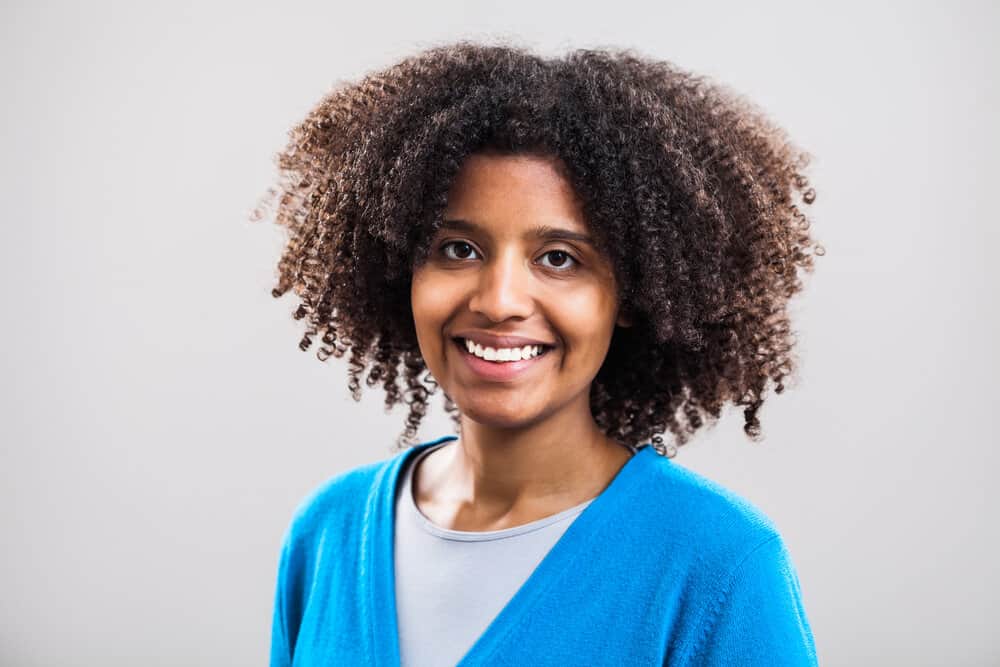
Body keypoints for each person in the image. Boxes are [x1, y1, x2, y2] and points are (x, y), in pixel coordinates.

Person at [255, 40, 822, 666]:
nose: (499, 301)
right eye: (458, 250)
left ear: (630, 295)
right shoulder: (328, 534)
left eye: (559, 259)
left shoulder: (717, 565)